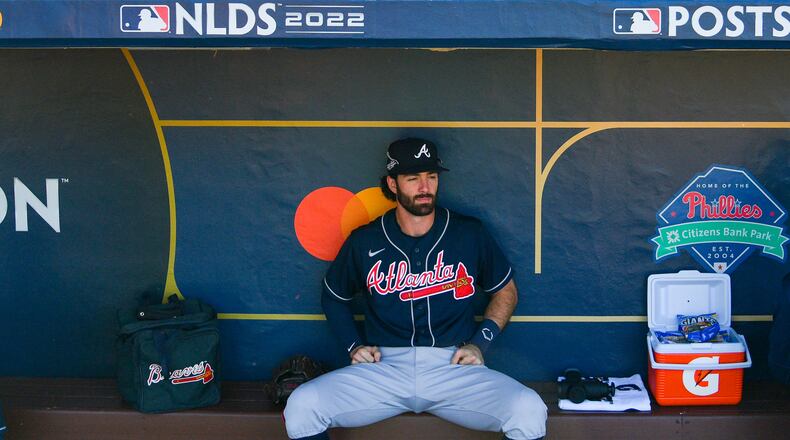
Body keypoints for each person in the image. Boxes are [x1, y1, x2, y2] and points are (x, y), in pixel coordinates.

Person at [284, 138, 547, 440]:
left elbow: (506, 291)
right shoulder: (365, 240)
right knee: (303, 405)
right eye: (413, 178)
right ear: (392, 184)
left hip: (452, 366)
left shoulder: (468, 233)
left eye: (431, 177)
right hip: (383, 368)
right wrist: (353, 346)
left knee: (527, 408)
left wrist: (480, 343)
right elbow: (333, 297)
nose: (425, 186)